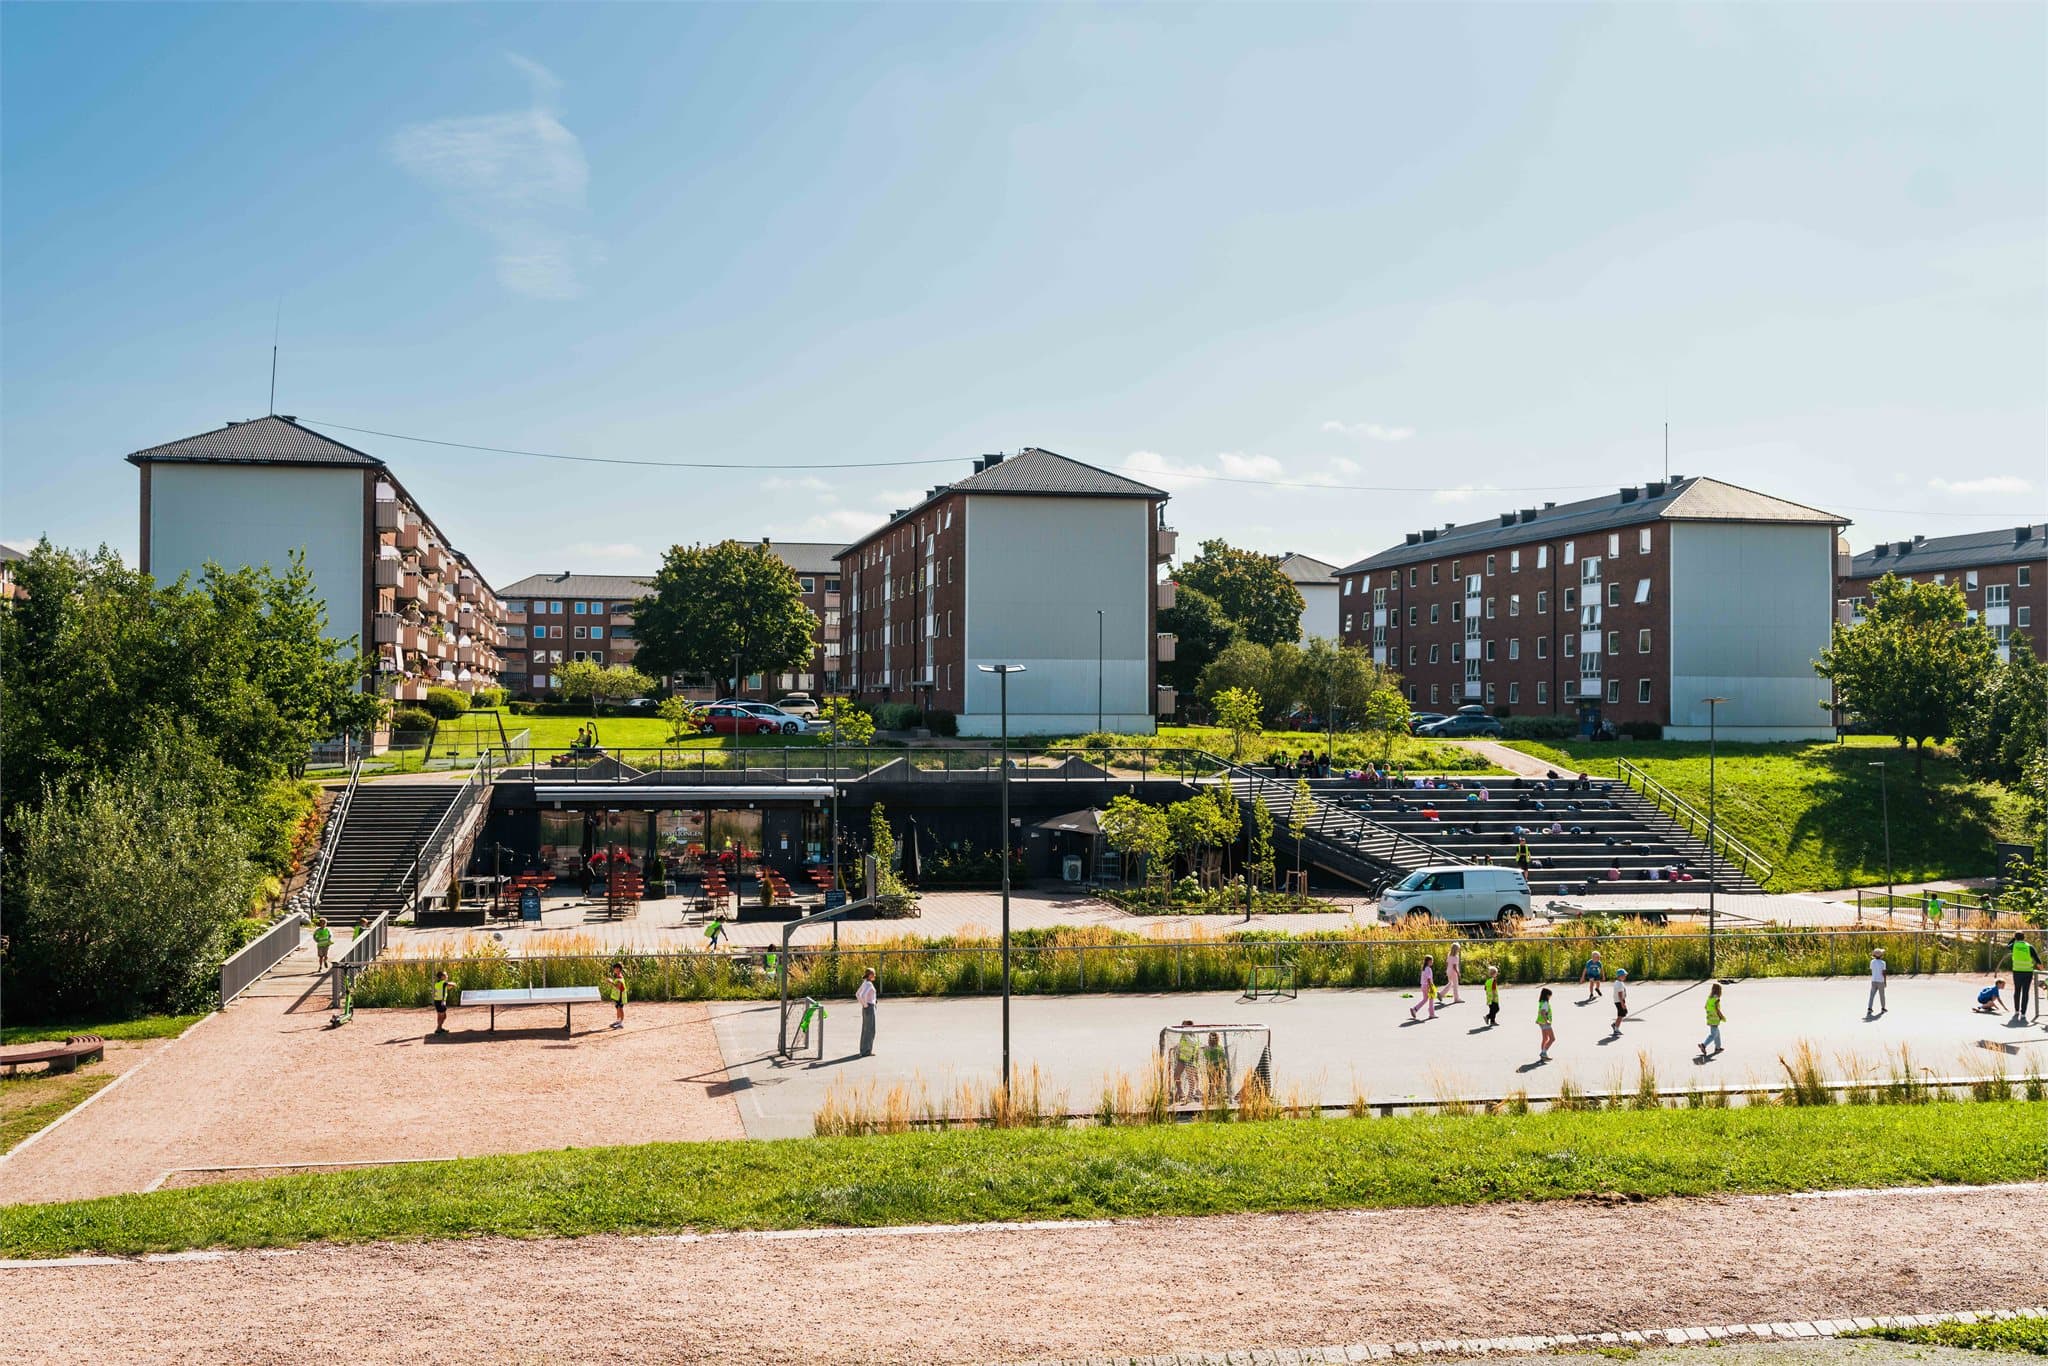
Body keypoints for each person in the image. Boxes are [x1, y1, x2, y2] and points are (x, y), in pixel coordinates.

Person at [1170, 1020, 1200, 1102]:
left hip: (1190, 1059)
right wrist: (1177, 1046)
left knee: (1191, 1078)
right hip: (1182, 1058)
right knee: (1176, 1075)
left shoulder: (1193, 1035)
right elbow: (1183, 1044)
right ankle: (1180, 1091)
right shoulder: (1183, 1035)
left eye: (1185, 1026)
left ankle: (1190, 1095)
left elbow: (1192, 1043)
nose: (1183, 1027)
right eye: (1183, 1025)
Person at [2010, 933, 2035, 1020]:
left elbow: (2007, 945)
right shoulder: (2029, 946)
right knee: (2025, 992)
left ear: (2015, 938)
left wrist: (2014, 939)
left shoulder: (2014, 946)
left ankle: (2016, 1010)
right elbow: (2037, 959)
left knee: (2017, 990)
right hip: (2028, 972)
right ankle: (2023, 1012)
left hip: (2017, 971)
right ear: (2024, 938)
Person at [1699, 982, 1726, 1058]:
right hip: (1715, 1019)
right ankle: (1703, 1045)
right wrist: (1722, 1016)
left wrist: (1710, 1013)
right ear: (1719, 991)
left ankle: (1718, 1048)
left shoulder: (1709, 998)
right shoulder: (1716, 999)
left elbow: (1705, 1007)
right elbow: (1717, 1009)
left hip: (1710, 1018)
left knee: (1717, 1033)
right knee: (1713, 1035)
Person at [856, 967, 879, 1056]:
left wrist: (864, 1005)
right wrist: (866, 1005)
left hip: (867, 1007)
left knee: (865, 1029)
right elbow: (861, 995)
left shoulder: (865, 982)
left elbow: (857, 994)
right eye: (874, 974)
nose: (875, 975)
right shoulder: (869, 984)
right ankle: (866, 1051)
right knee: (870, 1030)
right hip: (869, 1007)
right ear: (870, 975)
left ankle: (863, 1049)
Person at [1409, 955, 1437, 1021]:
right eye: (1431, 960)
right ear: (1428, 961)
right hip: (1428, 986)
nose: (1432, 962)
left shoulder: (1424, 968)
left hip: (1423, 986)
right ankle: (1432, 1014)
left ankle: (1414, 1009)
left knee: (1425, 999)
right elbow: (1429, 979)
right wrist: (1431, 987)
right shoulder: (1428, 969)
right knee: (1431, 999)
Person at [1866, 947, 1888, 1018]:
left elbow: (1871, 970)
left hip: (1873, 980)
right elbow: (1883, 973)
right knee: (1882, 995)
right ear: (1881, 955)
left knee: (1872, 995)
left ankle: (1869, 1008)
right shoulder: (1883, 963)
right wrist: (1885, 981)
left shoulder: (1872, 962)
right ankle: (1883, 1008)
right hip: (1880, 981)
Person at [606, 961, 628, 1030]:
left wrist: (611, 982)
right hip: (618, 996)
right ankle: (618, 1021)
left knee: (620, 1009)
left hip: (620, 997)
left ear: (618, 969)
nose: (614, 969)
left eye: (615, 968)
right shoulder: (618, 976)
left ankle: (620, 1023)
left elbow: (618, 987)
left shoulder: (620, 977)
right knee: (618, 1008)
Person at [1535, 987, 1555, 1062]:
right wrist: (1547, 1021)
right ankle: (1543, 1053)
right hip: (1545, 1023)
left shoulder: (1541, 1002)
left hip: (1540, 1022)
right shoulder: (1545, 1003)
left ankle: (1543, 1054)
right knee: (1552, 1039)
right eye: (1550, 995)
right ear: (1547, 995)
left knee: (1545, 1038)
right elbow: (1543, 1012)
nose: (1550, 997)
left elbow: (1540, 1012)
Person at [431, 969, 451, 1035]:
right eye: (445, 975)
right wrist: (453, 984)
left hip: (437, 1000)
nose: (447, 976)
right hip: (441, 1001)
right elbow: (452, 984)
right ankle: (438, 1029)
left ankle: (440, 1028)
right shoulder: (443, 983)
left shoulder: (438, 983)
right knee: (442, 1016)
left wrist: (449, 986)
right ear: (442, 977)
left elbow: (447, 987)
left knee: (441, 1016)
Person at [1611, 969, 1629, 1036]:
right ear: (1619, 976)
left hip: (1618, 1001)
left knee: (1623, 1013)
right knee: (1620, 1015)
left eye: (1625, 975)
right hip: (1619, 1001)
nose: (1625, 977)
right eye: (1624, 976)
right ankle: (1616, 1029)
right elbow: (1620, 995)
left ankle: (1615, 1024)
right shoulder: (1619, 984)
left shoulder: (1618, 982)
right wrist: (1623, 1004)